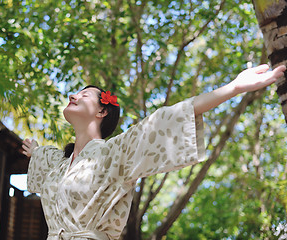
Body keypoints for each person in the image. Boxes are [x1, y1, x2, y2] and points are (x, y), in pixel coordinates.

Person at [22, 64, 286, 240]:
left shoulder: (115, 154)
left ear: (103, 111)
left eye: (85, 95)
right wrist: (35, 152)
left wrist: (233, 88)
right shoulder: (59, 166)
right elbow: (46, 159)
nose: (74, 96)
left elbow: (163, 121)